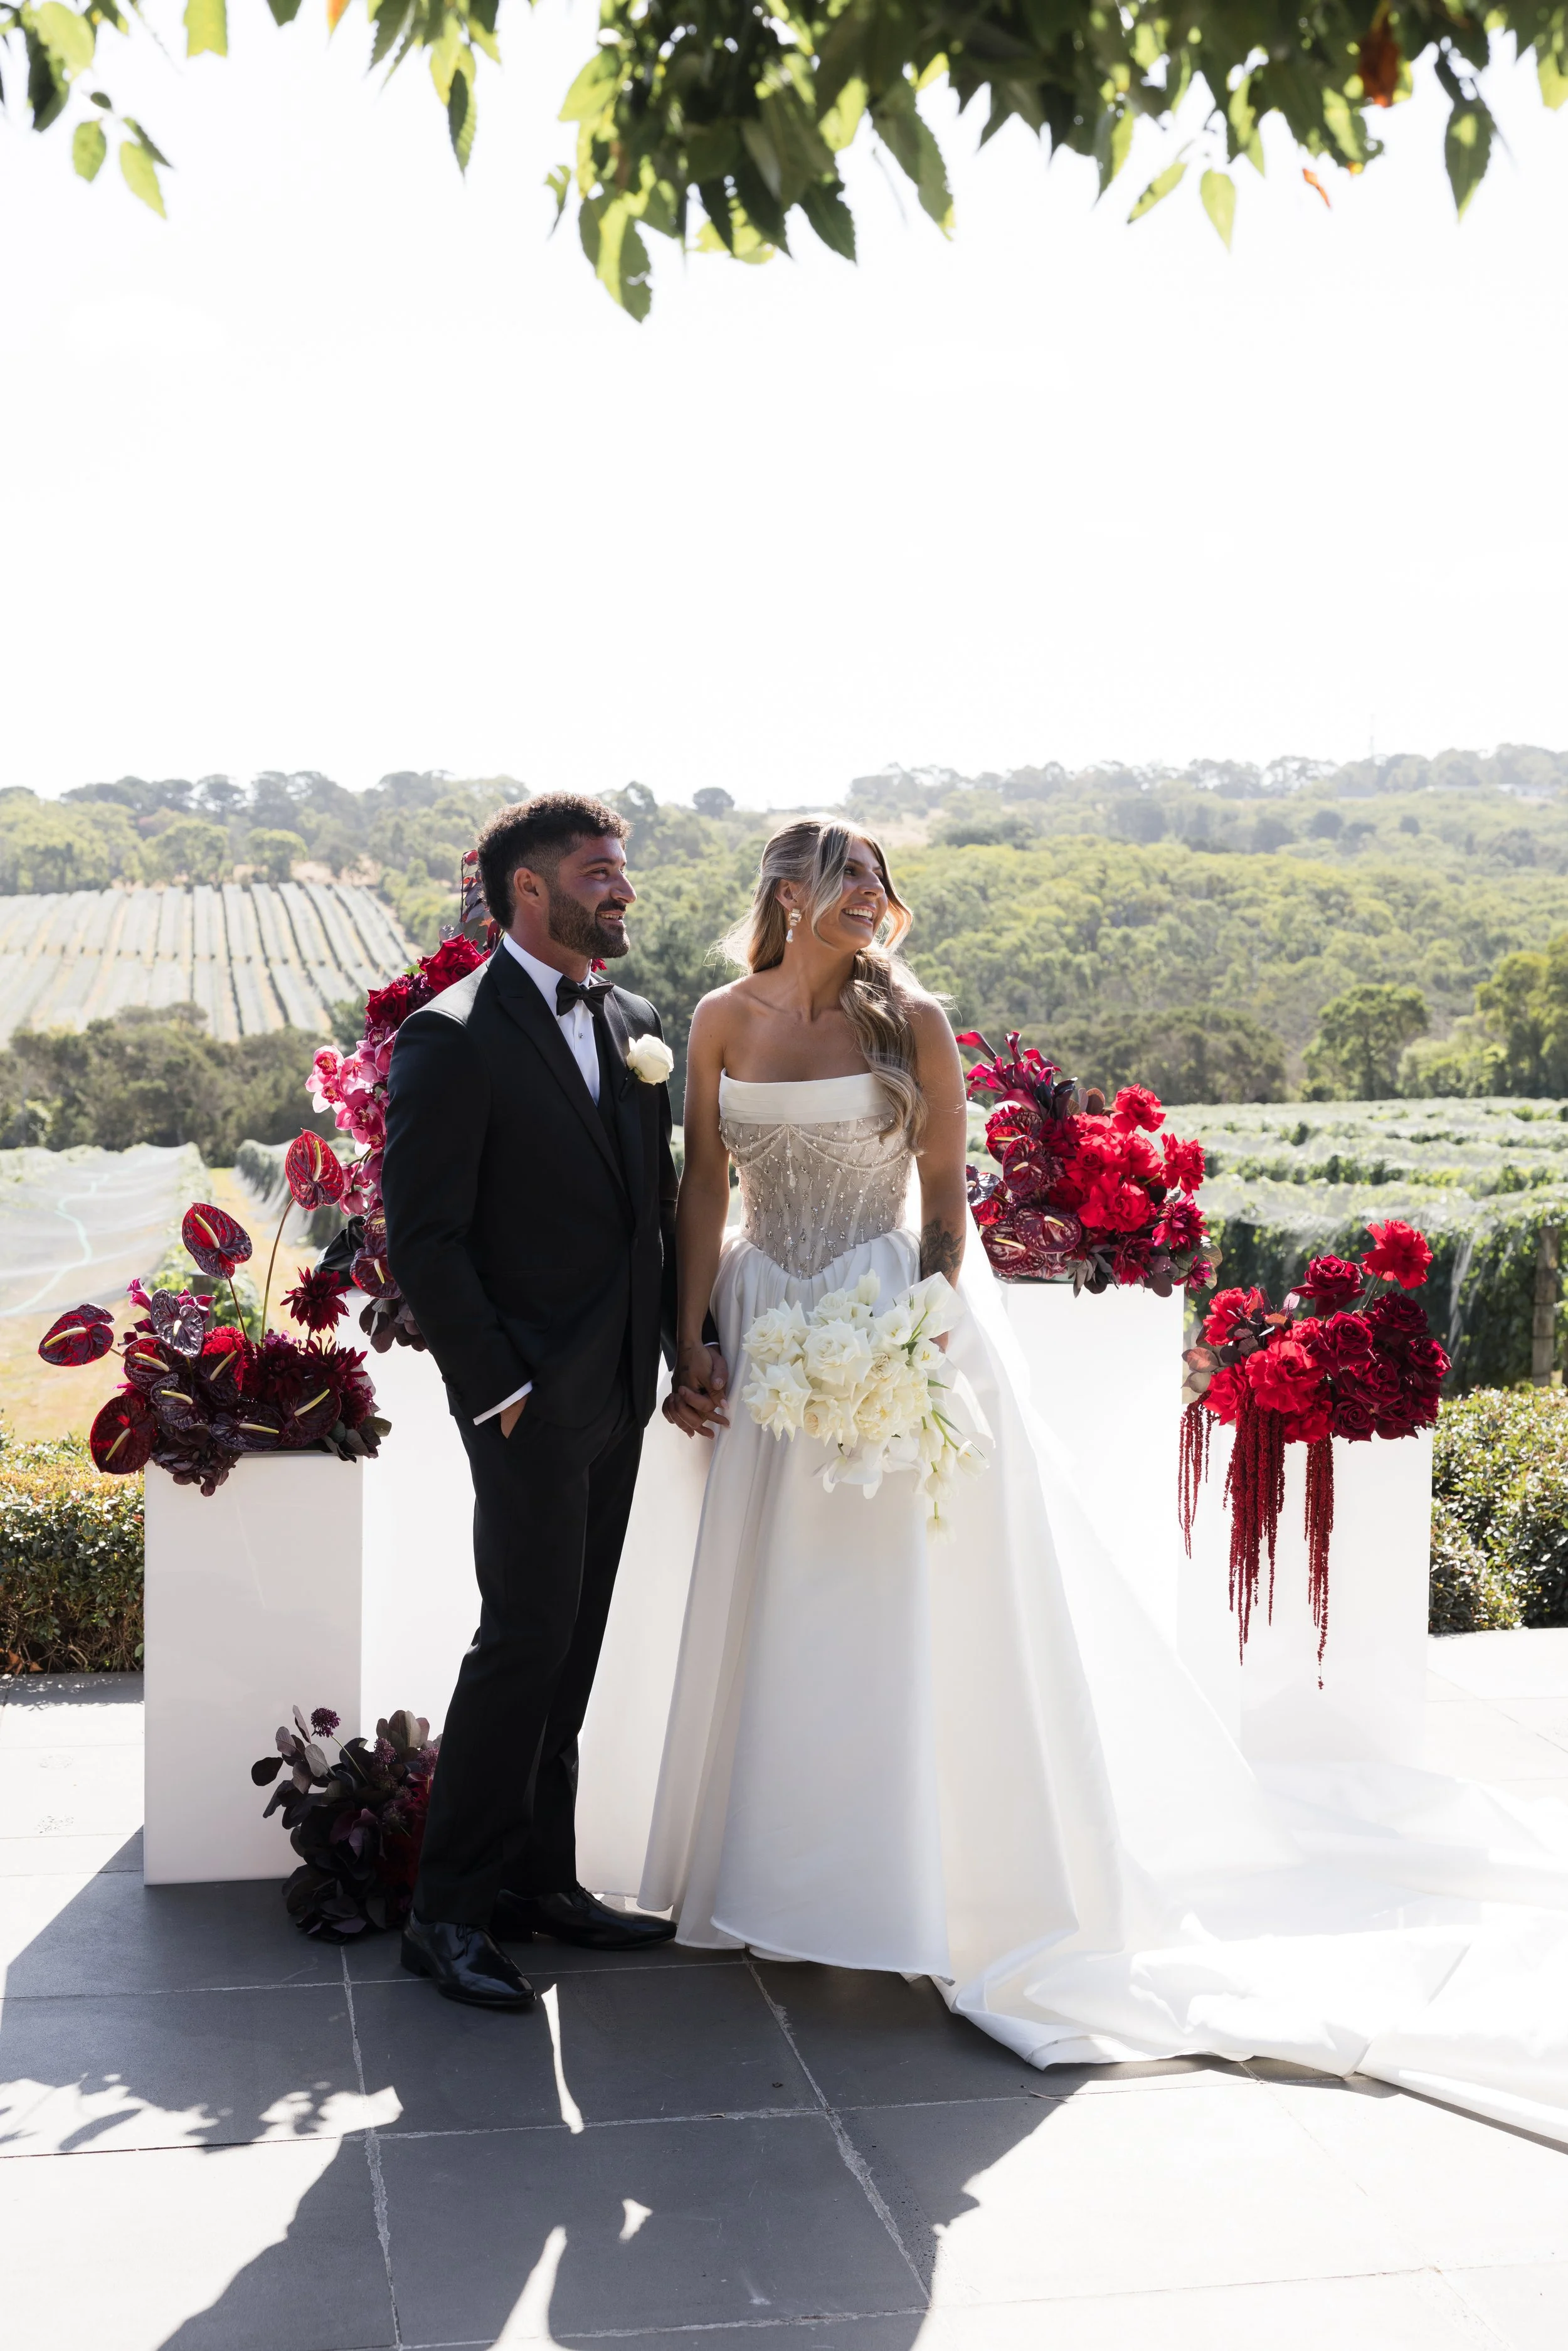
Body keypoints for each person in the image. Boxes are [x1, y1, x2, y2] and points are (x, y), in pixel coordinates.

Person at [572, 815, 1568, 2142]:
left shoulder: (908, 1023)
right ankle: (769, 1878)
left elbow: (941, 1210)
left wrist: (908, 1337)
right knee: (772, 1597)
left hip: (888, 1328)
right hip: (763, 1329)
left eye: (880, 878)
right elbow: (703, 1188)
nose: (873, 897)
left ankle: (896, 1886)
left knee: (880, 1609)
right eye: (850, 877)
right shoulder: (717, 1016)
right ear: (786, 893)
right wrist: (690, 1336)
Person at [381, 793, 679, 2010]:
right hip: (521, 1401)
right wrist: (497, 1386)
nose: (621, 888)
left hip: (618, 1386)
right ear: (528, 891)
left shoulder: (640, 1022)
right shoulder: (448, 1036)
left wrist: (673, 1352)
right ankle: (443, 1914)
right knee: (519, 1641)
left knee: (573, 1642)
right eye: (598, 871)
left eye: (622, 869)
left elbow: (644, 1212)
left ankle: (538, 1885)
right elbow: (428, 1236)